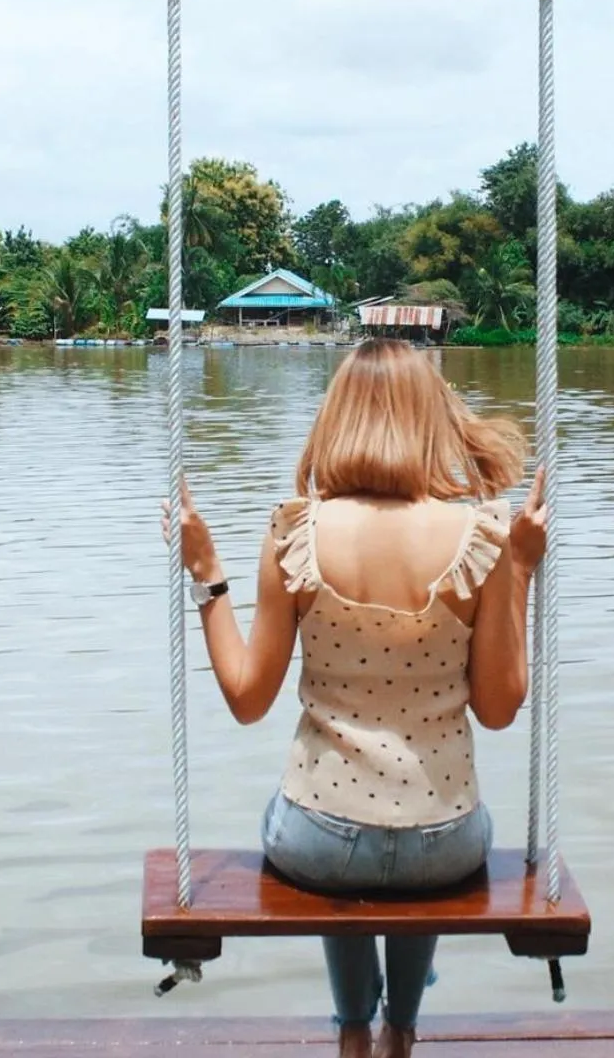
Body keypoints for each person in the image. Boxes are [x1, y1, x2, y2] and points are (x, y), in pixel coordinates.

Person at [160, 339, 548, 1058]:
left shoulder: (295, 532)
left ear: (337, 418)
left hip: (321, 841)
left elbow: (248, 699)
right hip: (446, 840)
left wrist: (207, 573)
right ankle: (402, 1026)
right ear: (432, 419)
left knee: (335, 827)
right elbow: (498, 710)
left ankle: (351, 1029)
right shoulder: (483, 538)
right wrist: (519, 570)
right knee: (419, 840)